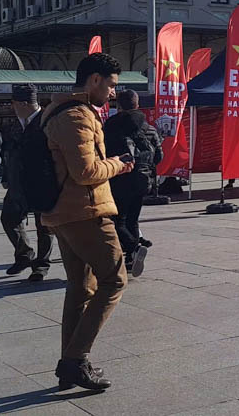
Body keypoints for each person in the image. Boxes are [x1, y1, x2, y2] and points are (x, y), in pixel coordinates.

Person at [42, 52, 134, 391]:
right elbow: (86, 172)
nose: (113, 93)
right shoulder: (77, 116)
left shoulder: (59, 109)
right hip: (85, 211)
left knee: (81, 288)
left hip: (65, 212)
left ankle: (70, 363)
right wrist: (118, 164)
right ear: (94, 80)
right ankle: (75, 359)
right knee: (114, 280)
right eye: (111, 85)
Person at [102, 89, 162, 277]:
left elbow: (103, 154)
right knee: (132, 220)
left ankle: (133, 249)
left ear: (118, 106)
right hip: (142, 181)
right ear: (137, 105)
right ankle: (130, 259)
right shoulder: (149, 128)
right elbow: (158, 156)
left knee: (117, 220)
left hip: (119, 179)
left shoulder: (110, 126)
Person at [0, 84, 54, 281]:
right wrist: (6, 176)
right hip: (17, 183)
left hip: (41, 183)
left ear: (23, 103)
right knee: (9, 218)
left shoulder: (46, 122)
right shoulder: (16, 124)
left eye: (14, 104)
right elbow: (8, 151)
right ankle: (24, 254)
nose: (12, 107)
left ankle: (41, 265)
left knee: (44, 227)